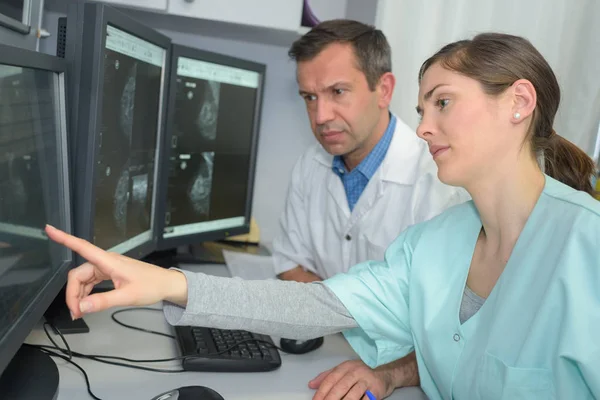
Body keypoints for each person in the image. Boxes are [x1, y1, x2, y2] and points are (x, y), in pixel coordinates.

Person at [47, 32, 600, 399]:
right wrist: (163, 283)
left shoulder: (587, 247)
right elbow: (311, 304)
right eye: (422, 110)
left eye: (443, 102)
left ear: (519, 103)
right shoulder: (435, 245)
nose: (425, 126)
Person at [273, 19, 467, 283]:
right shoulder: (309, 166)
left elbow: (427, 302)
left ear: (384, 90)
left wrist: (336, 315)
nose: (320, 116)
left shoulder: (437, 182)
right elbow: (289, 264)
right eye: (310, 97)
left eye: (338, 91)